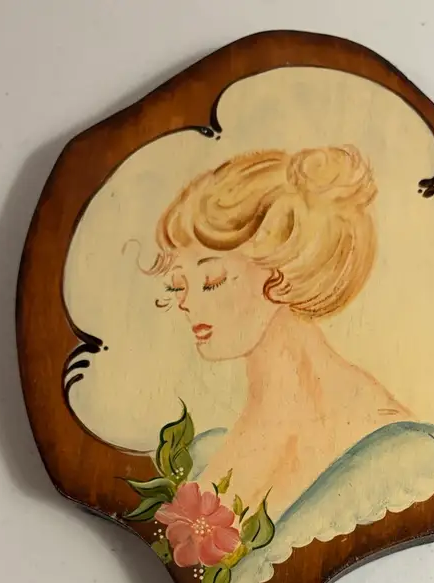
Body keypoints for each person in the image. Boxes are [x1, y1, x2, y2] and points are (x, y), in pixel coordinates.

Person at [146, 144, 412, 516]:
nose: (186, 302)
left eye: (211, 280)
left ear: (282, 275)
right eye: (178, 284)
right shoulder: (212, 447)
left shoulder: (384, 439)